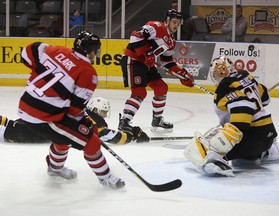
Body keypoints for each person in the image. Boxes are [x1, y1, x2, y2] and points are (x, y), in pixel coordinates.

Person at [17, 31, 125, 189]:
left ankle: (55, 168)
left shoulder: (55, 50)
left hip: (25, 107)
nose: (96, 53)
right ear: (90, 50)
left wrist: (37, 72)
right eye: (95, 49)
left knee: (64, 137)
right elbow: (74, 110)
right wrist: (86, 124)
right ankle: (106, 177)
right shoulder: (89, 73)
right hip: (46, 118)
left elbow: (28, 52)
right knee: (92, 142)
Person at [184, 56, 279, 177]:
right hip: (268, 138)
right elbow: (265, 99)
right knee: (241, 161)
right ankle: (268, 152)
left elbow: (241, 124)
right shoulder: (246, 77)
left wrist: (216, 148)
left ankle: (214, 162)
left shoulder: (225, 88)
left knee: (198, 148)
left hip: (251, 139)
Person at [118, 9, 194, 134]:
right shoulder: (156, 26)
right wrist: (147, 52)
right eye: (174, 22)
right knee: (139, 92)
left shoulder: (171, 41)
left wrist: (182, 74)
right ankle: (125, 121)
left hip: (146, 63)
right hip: (133, 59)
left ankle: (157, 119)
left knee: (161, 88)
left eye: (178, 23)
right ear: (168, 21)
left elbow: (166, 61)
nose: (176, 26)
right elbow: (135, 35)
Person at [0, 97, 150, 144]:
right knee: (10, 129)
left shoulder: (82, 112)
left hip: (41, 123)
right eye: (103, 112)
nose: (105, 115)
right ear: (96, 110)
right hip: (38, 132)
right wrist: (132, 136)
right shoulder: (92, 121)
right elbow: (109, 136)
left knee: (9, 125)